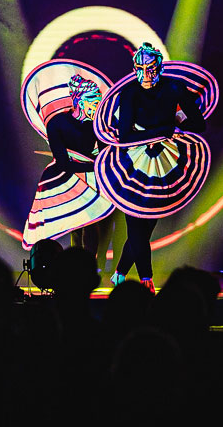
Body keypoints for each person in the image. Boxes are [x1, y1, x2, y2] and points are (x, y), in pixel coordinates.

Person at [104, 43, 209, 293]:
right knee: (135, 222)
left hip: (165, 160)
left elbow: (199, 124)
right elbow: (124, 136)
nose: (146, 75)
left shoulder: (174, 87)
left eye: (150, 68)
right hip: (133, 160)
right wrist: (163, 130)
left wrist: (178, 125)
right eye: (140, 69)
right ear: (134, 69)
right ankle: (146, 280)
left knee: (145, 225)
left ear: (159, 67)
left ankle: (119, 274)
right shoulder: (129, 92)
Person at [21, 70, 115, 251]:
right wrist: (95, 166)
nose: (97, 106)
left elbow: (104, 154)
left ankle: (89, 263)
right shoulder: (56, 123)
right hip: (64, 175)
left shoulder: (96, 124)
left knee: (91, 220)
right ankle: (74, 262)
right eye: (93, 102)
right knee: (75, 224)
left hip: (88, 173)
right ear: (80, 101)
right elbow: (63, 162)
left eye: (99, 102)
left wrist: (102, 167)